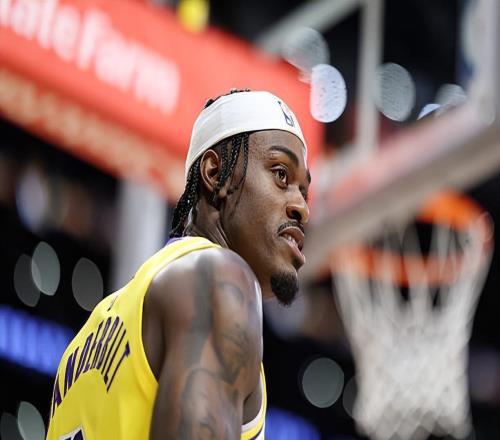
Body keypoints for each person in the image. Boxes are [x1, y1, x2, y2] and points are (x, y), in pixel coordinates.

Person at [46, 89, 311, 440]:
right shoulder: (219, 279)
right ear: (215, 173)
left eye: (303, 191)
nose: (301, 207)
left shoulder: (86, 339)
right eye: (280, 174)